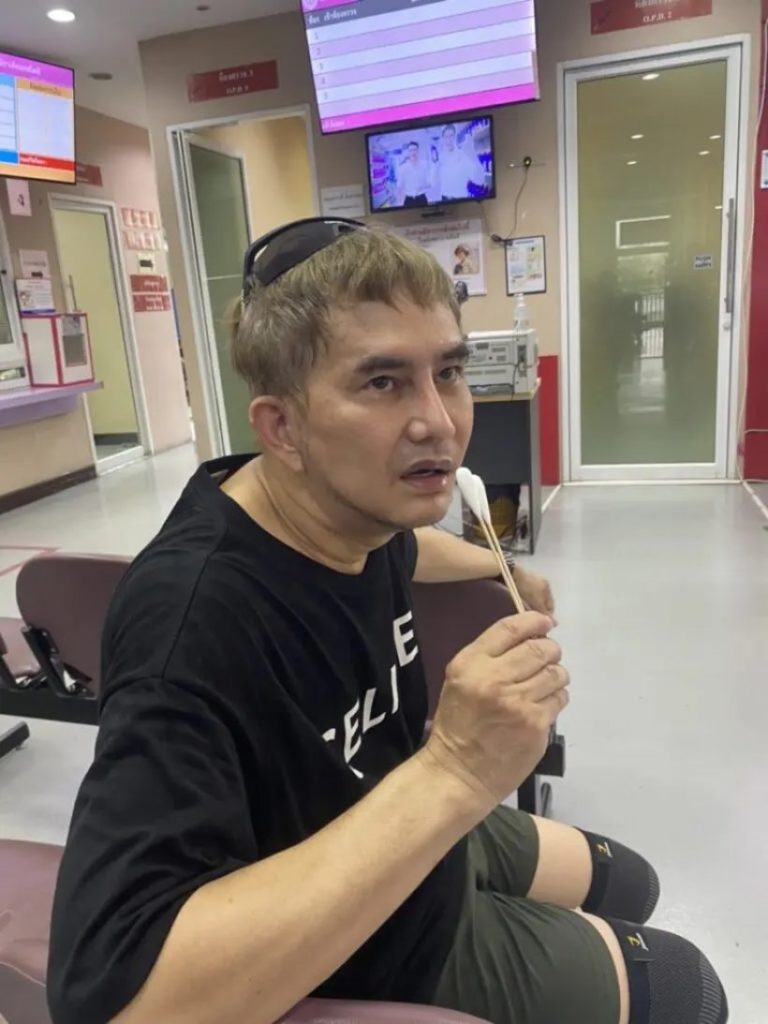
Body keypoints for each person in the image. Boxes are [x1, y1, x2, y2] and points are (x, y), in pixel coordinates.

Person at [47, 219, 728, 1024]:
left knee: (631, 883)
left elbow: (403, 550)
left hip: (396, 809)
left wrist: (499, 568)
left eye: (449, 372)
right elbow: (120, 1004)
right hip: (376, 937)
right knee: (688, 991)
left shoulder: (341, 509)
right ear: (282, 427)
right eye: (382, 382)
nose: (439, 421)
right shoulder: (191, 628)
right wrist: (458, 771)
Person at [438, 123, 487, 203]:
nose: (449, 140)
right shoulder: (440, 158)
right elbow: (434, 181)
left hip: (460, 199)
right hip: (444, 198)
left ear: (455, 137)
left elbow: (479, 180)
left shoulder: (463, 155)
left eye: (451, 136)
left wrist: (472, 153)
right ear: (443, 139)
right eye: (446, 137)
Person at [396, 140, 431, 208]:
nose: (413, 152)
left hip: (422, 198)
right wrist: (399, 203)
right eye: (411, 150)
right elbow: (399, 186)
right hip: (409, 200)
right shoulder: (403, 167)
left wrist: (422, 186)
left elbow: (429, 182)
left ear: (418, 151)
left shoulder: (425, 165)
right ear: (408, 152)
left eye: (415, 150)